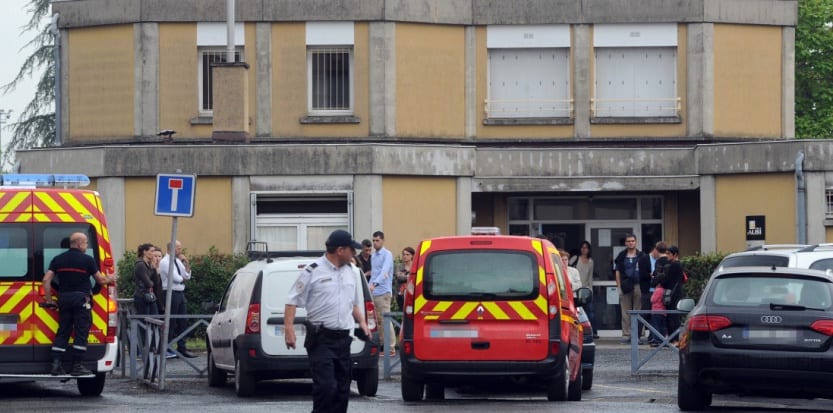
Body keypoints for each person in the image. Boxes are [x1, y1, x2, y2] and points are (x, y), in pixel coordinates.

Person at [284, 229, 371, 413]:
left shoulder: (352, 272)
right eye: (351, 249)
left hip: (343, 340)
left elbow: (353, 303)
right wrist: (288, 329)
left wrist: (362, 322)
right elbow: (292, 300)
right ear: (340, 250)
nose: (354, 254)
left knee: (341, 390)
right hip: (321, 339)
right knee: (326, 388)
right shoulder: (312, 271)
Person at [43, 232, 116, 376]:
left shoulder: (58, 259)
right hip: (81, 299)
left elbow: (46, 280)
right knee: (81, 331)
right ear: (79, 243)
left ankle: (56, 365)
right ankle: (77, 366)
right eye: (86, 243)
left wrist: (50, 299)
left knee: (63, 330)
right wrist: (111, 278)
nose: (87, 246)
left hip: (63, 299)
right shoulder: (87, 260)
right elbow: (100, 281)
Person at [159, 240, 196, 358]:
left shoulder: (177, 261)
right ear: (172, 248)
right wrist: (182, 278)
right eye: (179, 248)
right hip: (170, 293)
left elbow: (187, 276)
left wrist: (186, 262)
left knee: (182, 321)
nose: (181, 250)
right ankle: (167, 348)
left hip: (180, 293)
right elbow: (176, 278)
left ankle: (182, 347)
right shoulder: (165, 262)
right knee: (171, 321)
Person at [613, 234, 644, 343]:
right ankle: (626, 335)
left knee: (638, 311)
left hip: (638, 285)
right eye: (628, 241)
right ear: (626, 243)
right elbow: (617, 272)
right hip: (625, 286)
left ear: (636, 242)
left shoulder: (641, 255)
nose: (631, 243)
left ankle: (638, 335)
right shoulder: (621, 256)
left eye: (632, 241)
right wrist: (619, 287)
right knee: (625, 312)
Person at [368, 231, 394, 356]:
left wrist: (374, 284)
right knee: (378, 320)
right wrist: (369, 287)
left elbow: (384, 272)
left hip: (383, 291)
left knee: (386, 320)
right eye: (373, 240)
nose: (374, 243)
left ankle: (391, 347)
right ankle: (384, 346)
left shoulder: (387, 254)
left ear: (383, 241)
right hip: (375, 291)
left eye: (377, 240)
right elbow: (373, 274)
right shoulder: (373, 256)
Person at [569, 241, 596, 337]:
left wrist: (590, 289)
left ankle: (593, 331)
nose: (584, 249)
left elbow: (590, 277)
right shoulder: (575, 258)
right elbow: (568, 269)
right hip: (575, 289)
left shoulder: (590, 261)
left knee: (590, 312)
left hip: (585, 289)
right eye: (582, 247)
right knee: (577, 312)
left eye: (586, 248)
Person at [662, 246, 685, 339]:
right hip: (677, 292)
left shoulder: (674, 265)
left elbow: (667, 281)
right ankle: (673, 338)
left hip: (673, 294)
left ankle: (674, 339)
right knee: (674, 316)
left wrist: (659, 278)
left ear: (674, 254)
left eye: (668, 254)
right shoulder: (679, 264)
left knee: (672, 317)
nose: (666, 255)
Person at [133, 243, 158, 316]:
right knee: (144, 320)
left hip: (150, 296)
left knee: (155, 317)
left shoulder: (149, 264)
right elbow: (148, 283)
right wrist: (151, 283)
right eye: (152, 251)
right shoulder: (140, 264)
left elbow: (156, 282)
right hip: (142, 296)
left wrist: (154, 268)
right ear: (145, 252)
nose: (153, 254)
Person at [395, 247, 415, 311]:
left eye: (407, 254)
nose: (405, 256)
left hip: (412, 293)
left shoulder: (415, 266)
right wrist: (409, 276)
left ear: (412, 256)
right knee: (402, 312)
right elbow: (399, 278)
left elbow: (416, 278)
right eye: (403, 254)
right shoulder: (399, 266)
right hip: (401, 294)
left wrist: (404, 275)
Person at [151, 246, 165, 314]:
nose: (157, 258)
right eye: (155, 256)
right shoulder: (149, 269)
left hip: (163, 297)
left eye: (159, 256)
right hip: (154, 298)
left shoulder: (164, 269)